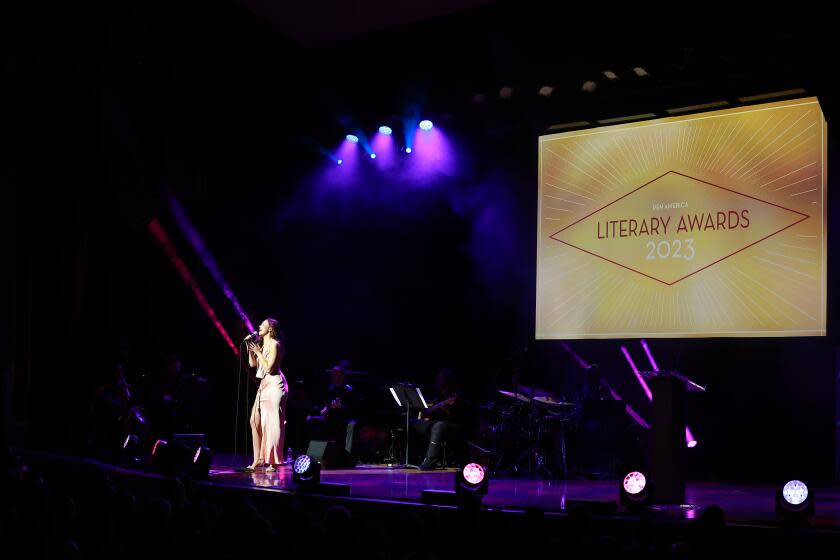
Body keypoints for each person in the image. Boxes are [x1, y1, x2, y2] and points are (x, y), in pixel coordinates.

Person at [245, 318, 288, 472]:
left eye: (262, 325)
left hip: (275, 385)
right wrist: (252, 352)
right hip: (264, 385)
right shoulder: (262, 345)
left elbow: (270, 368)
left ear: (270, 329)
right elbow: (253, 364)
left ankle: (273, 461)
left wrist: (258, 352)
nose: (258, 327)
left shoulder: (276, 344)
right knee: (254, 421)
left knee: (273, 423)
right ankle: (258, 459)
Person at [418, 369, 465, 470]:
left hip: (452, 425)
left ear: (447, 381)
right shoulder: (435, 394)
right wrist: (429, 408)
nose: (437, 381)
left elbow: (455, 415)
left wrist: (445, 408)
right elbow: (427, 408)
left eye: (440, 379)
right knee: (412, 423)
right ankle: (412, 458)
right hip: (434, 422)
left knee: (439, 425)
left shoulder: (454, 395)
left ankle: (430, 461)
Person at [306, 363, 357, 455]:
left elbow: (353, 409)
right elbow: (328, 404)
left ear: (342, 375)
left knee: (351, 425)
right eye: (332, 374)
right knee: (313, 421)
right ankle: (316, 454)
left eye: (336, 374)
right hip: (332, 418)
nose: (333, 376)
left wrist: (340, 407)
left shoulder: (349, 390)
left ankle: (347, 455)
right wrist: (325, 409)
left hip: (345, 418)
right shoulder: (331, 389)